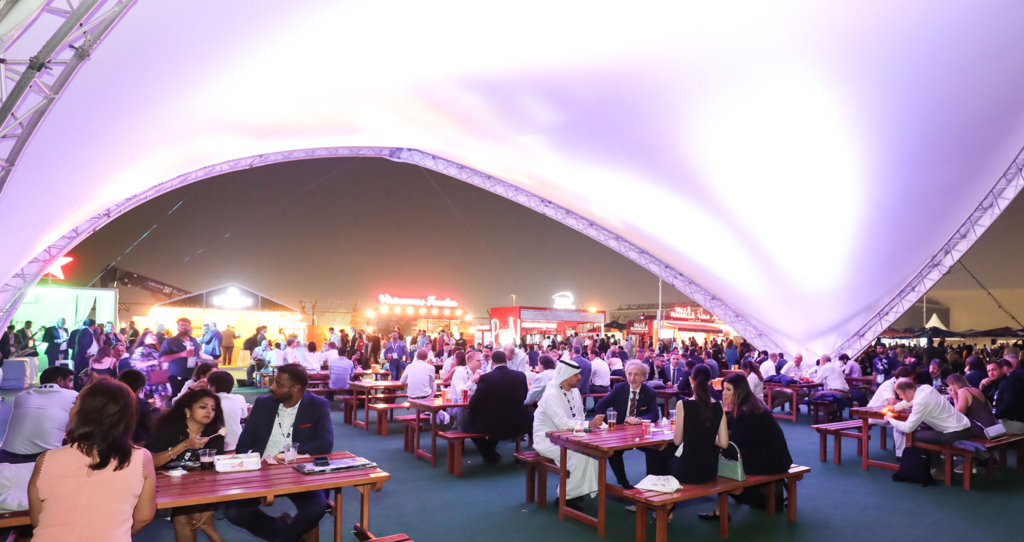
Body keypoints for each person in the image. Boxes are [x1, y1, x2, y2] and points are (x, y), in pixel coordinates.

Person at [28, 378, 156, 541]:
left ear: (85, 414)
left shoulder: (46, 459)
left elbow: (38, 520)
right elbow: (144, 517)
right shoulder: (141, 458)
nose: (70, 409)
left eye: (75, 404)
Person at [226, 365, 333, 541]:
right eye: (274, 382)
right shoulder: (263, 404)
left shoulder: (317, 405)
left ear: (295, 388)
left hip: (300, 472)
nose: (272, 387)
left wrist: (289, 453)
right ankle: (288, 535)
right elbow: (244, 443)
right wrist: (245, 471)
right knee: (234, 512)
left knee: (316, 508)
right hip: (262, 471)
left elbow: (325, 443)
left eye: (278, 384)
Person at [703, 373, 792, 517]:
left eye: (728, 389)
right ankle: (734, 497)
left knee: (719, 458)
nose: (724, 393)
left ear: (739, 391)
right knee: (720, 453)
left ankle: (727, 503)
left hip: (771, 461)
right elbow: (733, 428)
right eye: (724, 389)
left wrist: (712, 437)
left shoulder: (746, 412)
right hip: (776, 457)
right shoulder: (750, 405)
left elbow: (734, 445)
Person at [147, 389, 226, 541]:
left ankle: (215, 537)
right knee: (185, 506)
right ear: (188, 411)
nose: (209, 411)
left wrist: (211, 508)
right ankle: (215, 537)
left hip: (197, 490)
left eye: (213, 408)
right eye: (203, 407)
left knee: (182, 516)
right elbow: (152, 462)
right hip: (162, 488)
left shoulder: (214, 435)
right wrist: (184, 445)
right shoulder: (169, 429)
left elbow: (216, 474)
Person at [532, 358, 604, 512]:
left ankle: (578, 489)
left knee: (593, 452)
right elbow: (561, 423)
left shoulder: (575, 392)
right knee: (579, 454)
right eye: (576, 374)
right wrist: (589, 425)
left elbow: (580, 417)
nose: (580, 377)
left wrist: (594, 426)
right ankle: (565, 497)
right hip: (547, 440)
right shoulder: (551, 394)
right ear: (567, 376)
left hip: (570, 437)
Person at [594, 360, 661, 490]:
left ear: (643, 377)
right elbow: (600, 406)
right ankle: (624, 484)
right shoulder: (619, 389)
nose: (632, 378)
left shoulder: (650, 392)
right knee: (613, 452)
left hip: (641, 432)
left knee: (656, 450)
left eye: (636, 374)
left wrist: (639, 419)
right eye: (629, 374)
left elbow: (654, 414)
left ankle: (650, 483)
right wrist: (605, 424)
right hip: (619, 432)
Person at [459, 350, 532, 463]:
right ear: (506, 361)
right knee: (497, 421)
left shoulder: (486, 378)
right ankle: (490, 452)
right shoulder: (520, 376)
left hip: (493, 423)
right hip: (518, 421)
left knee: (467, 425)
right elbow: (524, 397)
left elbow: (474, 403)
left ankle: (488, 452)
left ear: (492, 362)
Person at [885, 378, 972, 471]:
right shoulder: (926, 388)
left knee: (912, 436)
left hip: (955, 434)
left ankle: (937, 468)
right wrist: (894, 408)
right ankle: (937, 466)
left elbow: (908, 428)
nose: (900, 397)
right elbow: (911, 401)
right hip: (965, 428)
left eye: (900, 394)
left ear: (908, 391)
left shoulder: (921, 402)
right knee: (927, 434)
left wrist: (890, 419)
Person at [0, 366, 77, 463]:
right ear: (60, 381)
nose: (71, 386)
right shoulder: (73, 396)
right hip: (42, 460)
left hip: (5, 456)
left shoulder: (21, 396)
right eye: (69, 381)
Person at [668, 364, 728, 486]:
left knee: (662, 459)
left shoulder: (682, 405)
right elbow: (724, 443)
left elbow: (677, 441)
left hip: (687, 471)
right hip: (710, 470)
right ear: (710, 382)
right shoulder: (719, 405)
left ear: (691, 380)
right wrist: (707, 433)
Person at [160, 318, 213, 397]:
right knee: (178, 398)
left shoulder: (194, 340)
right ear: (177, 327)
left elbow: (197, 355)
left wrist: (206, 360)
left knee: (191, 398)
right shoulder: (170, 341)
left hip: (192, 376)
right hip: (177, 376)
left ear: (190, 327)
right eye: (180, 325)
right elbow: (162, 358)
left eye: (185, 325)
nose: (183, 327)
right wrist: (182, 354)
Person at [946, 373, 998, 438]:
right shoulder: (975, 389)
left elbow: (959, 414)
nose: (949, 388)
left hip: (983, 428)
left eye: (949, 386)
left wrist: (954, 398)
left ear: (954, 384)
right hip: (994, 425)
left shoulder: (962, 391)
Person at [208, 370, 248, 452]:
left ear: (212, 387)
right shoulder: (240, 398)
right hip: (238, 442)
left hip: (214, 445)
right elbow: (244, 416)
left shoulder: (207, 401)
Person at [118, 369, 158, 447]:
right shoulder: (138, 402)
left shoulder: (113, 399)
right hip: (137, 443)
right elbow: (153, 417)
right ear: (139, 389)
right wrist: (154, 408)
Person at [128, 331, 165, 399]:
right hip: (146, 381)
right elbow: (137, 364)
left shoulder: (153, 349)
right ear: (144, 339)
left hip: (155, 380)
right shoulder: (141, 349)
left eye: (154, 335)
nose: (154, 337)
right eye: (151, 336)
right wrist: (153, 362)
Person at [993, 360, 1024, 434]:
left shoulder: (1008, 382)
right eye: (988, 371)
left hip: (1015, 421)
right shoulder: (1000, 382)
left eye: (994, 370)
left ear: (1002, 369)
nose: (991, 373)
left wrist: (994, 415)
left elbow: (1008, 403)